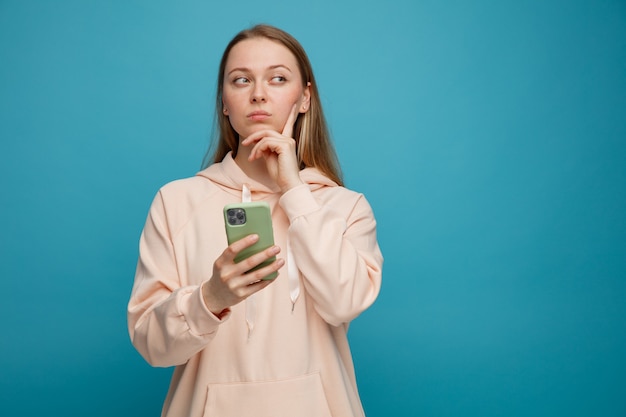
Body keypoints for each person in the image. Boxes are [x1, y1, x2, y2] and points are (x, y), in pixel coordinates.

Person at [127, 24, 383, 417]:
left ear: (304, 99)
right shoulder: (175, 202)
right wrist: (210, 298)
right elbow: (150, 345)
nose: (258, 93)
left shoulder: (344, 207)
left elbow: (343, 303)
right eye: (241, 80)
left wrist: (295, 193)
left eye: (278, 79)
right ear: (225, 103)